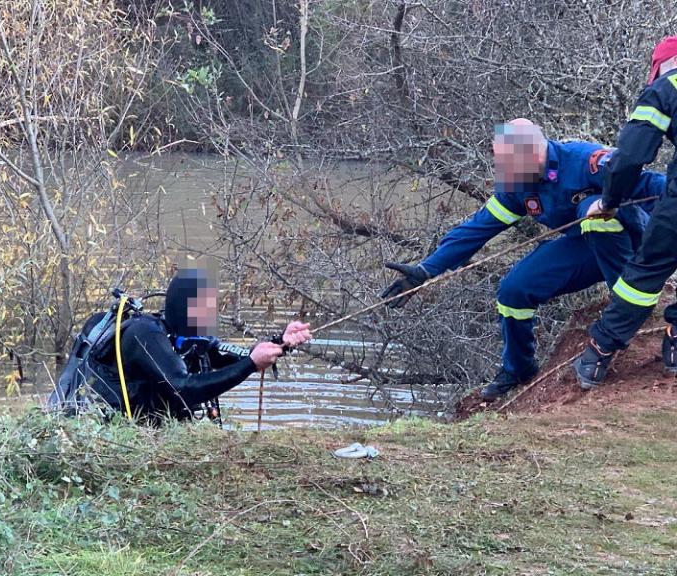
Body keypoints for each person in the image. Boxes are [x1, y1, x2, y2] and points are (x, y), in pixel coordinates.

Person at [381, 119, 665, 400]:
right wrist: (426, 270)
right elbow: (476, 229)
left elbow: (656, 187)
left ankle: (625, 306)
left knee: (594, 214)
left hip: (631, 240)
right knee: (513, 291)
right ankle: (518, 368)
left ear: (535, 152)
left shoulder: (585, 161)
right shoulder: (516, 185)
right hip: (583, 248)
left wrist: (662, 247)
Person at [50, 268, 312, 422]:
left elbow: (231, 355)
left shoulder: (189, 338)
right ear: (183, 309)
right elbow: (183, 389)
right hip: (101, 428)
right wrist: (251, 365)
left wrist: (280, 343)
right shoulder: (144, 335)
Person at [574, 37, 677, 389]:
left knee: (646, 272)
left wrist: (610, 200)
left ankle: (599, 352)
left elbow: (631, 157)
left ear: (662, 65)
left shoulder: (665, 87)